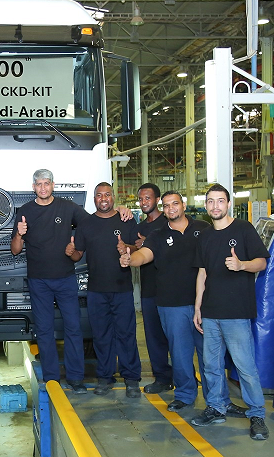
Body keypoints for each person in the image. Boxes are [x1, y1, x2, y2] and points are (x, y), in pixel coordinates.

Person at [119, 191, 212, 412]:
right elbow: (145, 254)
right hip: (172, 304)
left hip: (206, 302)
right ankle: (185, 394)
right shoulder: (158, 235)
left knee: (209, 354)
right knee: (180, 353)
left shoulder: (203, 229)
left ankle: (216, 399)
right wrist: (130, 259)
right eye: (167, 205)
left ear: (184, 205)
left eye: (175, 204)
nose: (171, 208)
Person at [192, 184, 269, 441]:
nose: (215, 206)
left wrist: (241, 265)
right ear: (206, 206)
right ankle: (216, 406)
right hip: (211, 312)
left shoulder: (243, 229)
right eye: (211, 201)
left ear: (228, 204)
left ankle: (257, 413)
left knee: (245, 366)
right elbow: (202, 273)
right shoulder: (204, 236)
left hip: (236, 312)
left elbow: (262, 261)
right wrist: (197, 307)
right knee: (211, 365)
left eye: (220, 201)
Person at [10, 169, 89, 393]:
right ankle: (52, 378)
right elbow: (15, 250)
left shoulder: (68, 207)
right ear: (33, 187)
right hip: (39, 282)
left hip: (65, 278)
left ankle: (76, 379)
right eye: (39, 184)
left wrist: (77, 245)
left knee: (73, 328)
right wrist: (19, 234)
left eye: (47, 183)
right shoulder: (25, 211)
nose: (43, 188)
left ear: (53, 185)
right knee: (44, 330)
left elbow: (91, 224)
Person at [67, 182, 142, 397]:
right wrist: (70, 250)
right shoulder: (86, 224)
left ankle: (131, 378)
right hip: (96, 290)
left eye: (107, 195)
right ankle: (105, 377)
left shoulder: (126, 219)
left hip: (122, 289)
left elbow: (140, 245)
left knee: (126, 334)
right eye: (99, 195)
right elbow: (77, 255)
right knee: (101, 335)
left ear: (113, 197)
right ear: (94, 199)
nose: (103, 199)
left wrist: (127, 247)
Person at [135, 183, 173, 394]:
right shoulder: (140, 227)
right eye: (141, 199)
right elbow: (134, 247)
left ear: (157, 199)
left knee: (177, 337)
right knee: (154, 337)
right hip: (149, 290)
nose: (144, 202)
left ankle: (185, 376)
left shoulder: (169, 222)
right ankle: (162, 378)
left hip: (172, 290)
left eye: (148, 198)